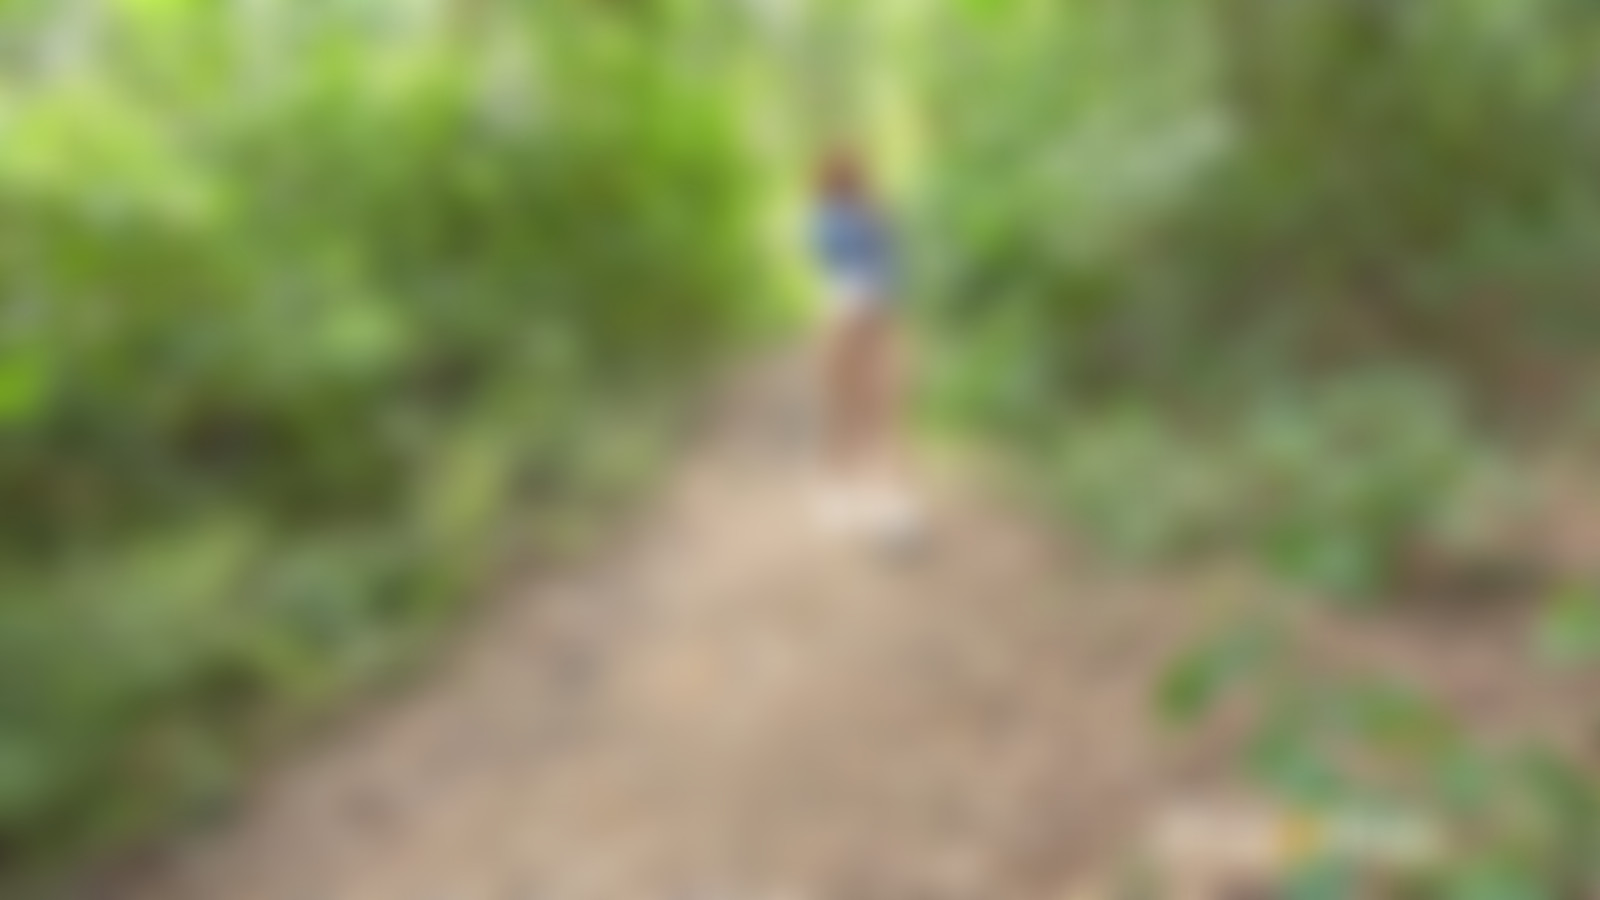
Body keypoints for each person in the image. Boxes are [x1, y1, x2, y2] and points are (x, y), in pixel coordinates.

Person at [808, 147, 922, 545]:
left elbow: (840, 263)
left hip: (853, 311)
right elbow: (880, 266)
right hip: (866, 311)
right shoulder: (847, 217)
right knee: (875, 413)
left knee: (855, 412)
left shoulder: (832, 217)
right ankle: (881, 505)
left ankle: (870, 502)